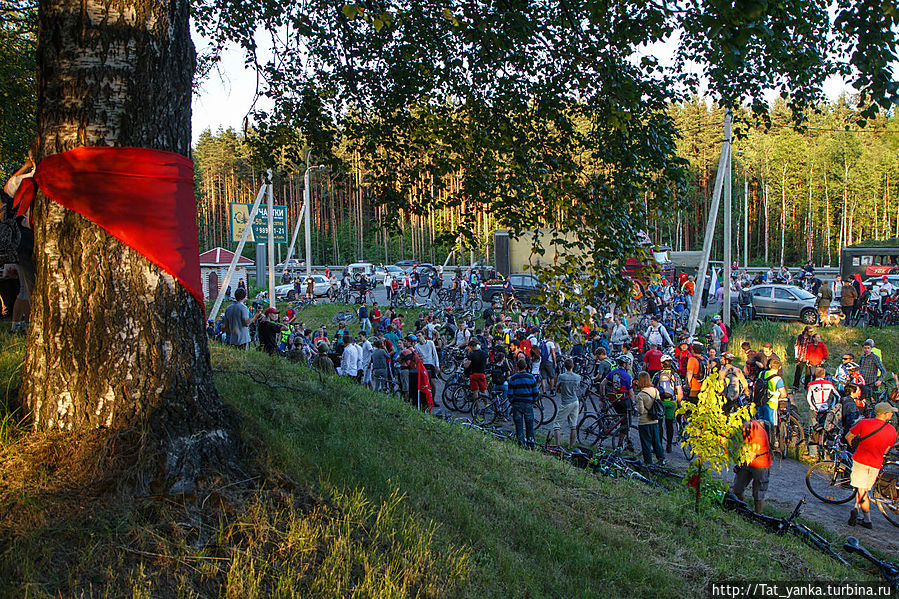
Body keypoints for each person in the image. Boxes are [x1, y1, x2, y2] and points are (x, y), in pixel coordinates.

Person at [846, 402, 899, 529]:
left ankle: (864, 516)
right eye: (890, 412)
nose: (892, 414)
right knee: (864, 490)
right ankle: (861, 515)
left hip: (860, 460)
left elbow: (849, 436)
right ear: (885, 414)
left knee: (861, 490)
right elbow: (886, 450)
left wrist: (853, 446)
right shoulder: (892, 430)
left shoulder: (864, 423)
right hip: (876, 463)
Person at [731, 419, 773, 514]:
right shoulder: (745, 427)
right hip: (747, 460)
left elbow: (748, 451)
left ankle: (758, 515)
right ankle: (740, 510)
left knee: (758, 493)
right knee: (738, 488)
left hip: (760, 462)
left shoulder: (758, 434)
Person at [653, 355, 683, 453]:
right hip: (672, 402)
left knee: (660, 424)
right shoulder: (675, 375)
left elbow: (653, 388)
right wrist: (678, 403)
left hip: (660, 402)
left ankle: (659, 445)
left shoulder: (658, 374)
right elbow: (680, 392)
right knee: (669, 424)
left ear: (661, 364)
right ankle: (669, 445)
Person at [635, 371, 665, 465]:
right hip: (654, 420)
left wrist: (635, 408)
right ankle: (661, 459)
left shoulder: (641, 395)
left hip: (644, 422)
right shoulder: (655, 391)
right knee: (656, 441)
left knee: (646, 443)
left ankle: (648, 463)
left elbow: (641, 411)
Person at [508, 358, 539, 448]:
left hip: (517, 404)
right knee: (529, 424)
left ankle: (521, 443)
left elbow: (510, 393)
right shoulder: (531, 377)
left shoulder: (513, 378)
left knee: (519, 425)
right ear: (526, 366)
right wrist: (533, 400)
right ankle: (531, 443)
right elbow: (536, 392)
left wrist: (513, 401)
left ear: (517, 366)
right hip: (528, 403)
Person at [553, 359, 581, 446]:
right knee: (573, 425)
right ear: (573, 366)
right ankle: (571, 445)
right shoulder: (577, 377)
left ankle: (558, 444)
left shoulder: (562, 377)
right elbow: (577, 388)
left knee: (557, 424)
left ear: (564, 366)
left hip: (565, 402)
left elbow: (557, 388)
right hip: (575, 401)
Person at [463, 339, 489, 413]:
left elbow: (466, 365)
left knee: (475, 392)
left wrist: (465, 362)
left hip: (474, 374)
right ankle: (487, 405)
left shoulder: (472, 354)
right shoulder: (484, 353)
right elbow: (487, 362)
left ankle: (477, 408)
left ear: (471, 347)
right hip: (482, 374)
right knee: (484, 390)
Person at [759, 358, 786, 429]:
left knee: (760, 425)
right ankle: (772, 439)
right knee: (771, 426)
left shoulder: (761, 374)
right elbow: (783, 394)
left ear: (770, 366)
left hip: (760, 402)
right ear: (780, 367)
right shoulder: (778, 379)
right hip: (771, 405)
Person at [792, 326, 814, 391]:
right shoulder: (800, 337)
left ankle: (806, 387)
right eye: (810, 331)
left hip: (808, 358)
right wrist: (796, 356)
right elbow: (796, 346)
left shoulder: (811, 338)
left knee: (808, 374)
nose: (811, 333)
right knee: (798, 372)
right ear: (806, 331)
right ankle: (795, 386)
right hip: (801, 357)